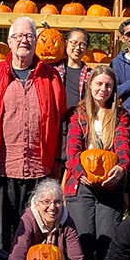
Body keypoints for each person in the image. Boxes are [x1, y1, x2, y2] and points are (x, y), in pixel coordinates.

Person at [0, 16, 66, 255]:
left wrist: (56, 161)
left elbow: (59, 118)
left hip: (37, 167)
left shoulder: (50, 76)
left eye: (29, 36)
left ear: (36, 41)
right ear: (9, 42)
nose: (24, 40)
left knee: (33, 232)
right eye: (18, 36)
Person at [64, 66, 130, 260]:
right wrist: (79, 171)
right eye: (99, 84)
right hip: (81, 182)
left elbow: (123, 146)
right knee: (83, 240)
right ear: (90, 85)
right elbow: (72, 151)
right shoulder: (79, 114)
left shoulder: (120, 115)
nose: (103, 88)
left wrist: (122, 167)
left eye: (108, 85)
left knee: (107, 239)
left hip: (110, 183)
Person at [1, 179, 85, 260]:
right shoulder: (28, 219)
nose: (52, 207)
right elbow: (16, 257)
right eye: (46, 202)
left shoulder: (67, 222)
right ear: (37, 203)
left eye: (57, 202)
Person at [53, 28, 93, 177]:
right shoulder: (53, 70)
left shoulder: (90, 74)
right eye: (74, 43)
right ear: (66, 43)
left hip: (78, 126)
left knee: (73, 163)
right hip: (57, 125)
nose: (78, 47)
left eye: (82, 44)